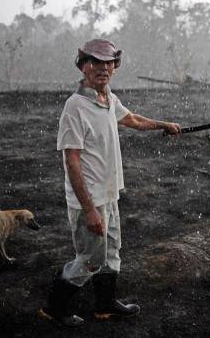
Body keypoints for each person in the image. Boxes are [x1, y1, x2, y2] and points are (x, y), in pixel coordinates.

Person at [39, 38, 181, 327]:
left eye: (108, 63)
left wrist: (163, 124)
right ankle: (54, 308)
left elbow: (131, 119)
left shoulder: (107, 98)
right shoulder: (75, 107)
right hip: (89, 201)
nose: (103, 68)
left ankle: (105, 305)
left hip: (109, 195)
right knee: (90, 258)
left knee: (112, 251)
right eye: (95, 62)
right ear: (83, 66)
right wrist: (89, 209)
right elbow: (72, 161)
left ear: (115, 67)